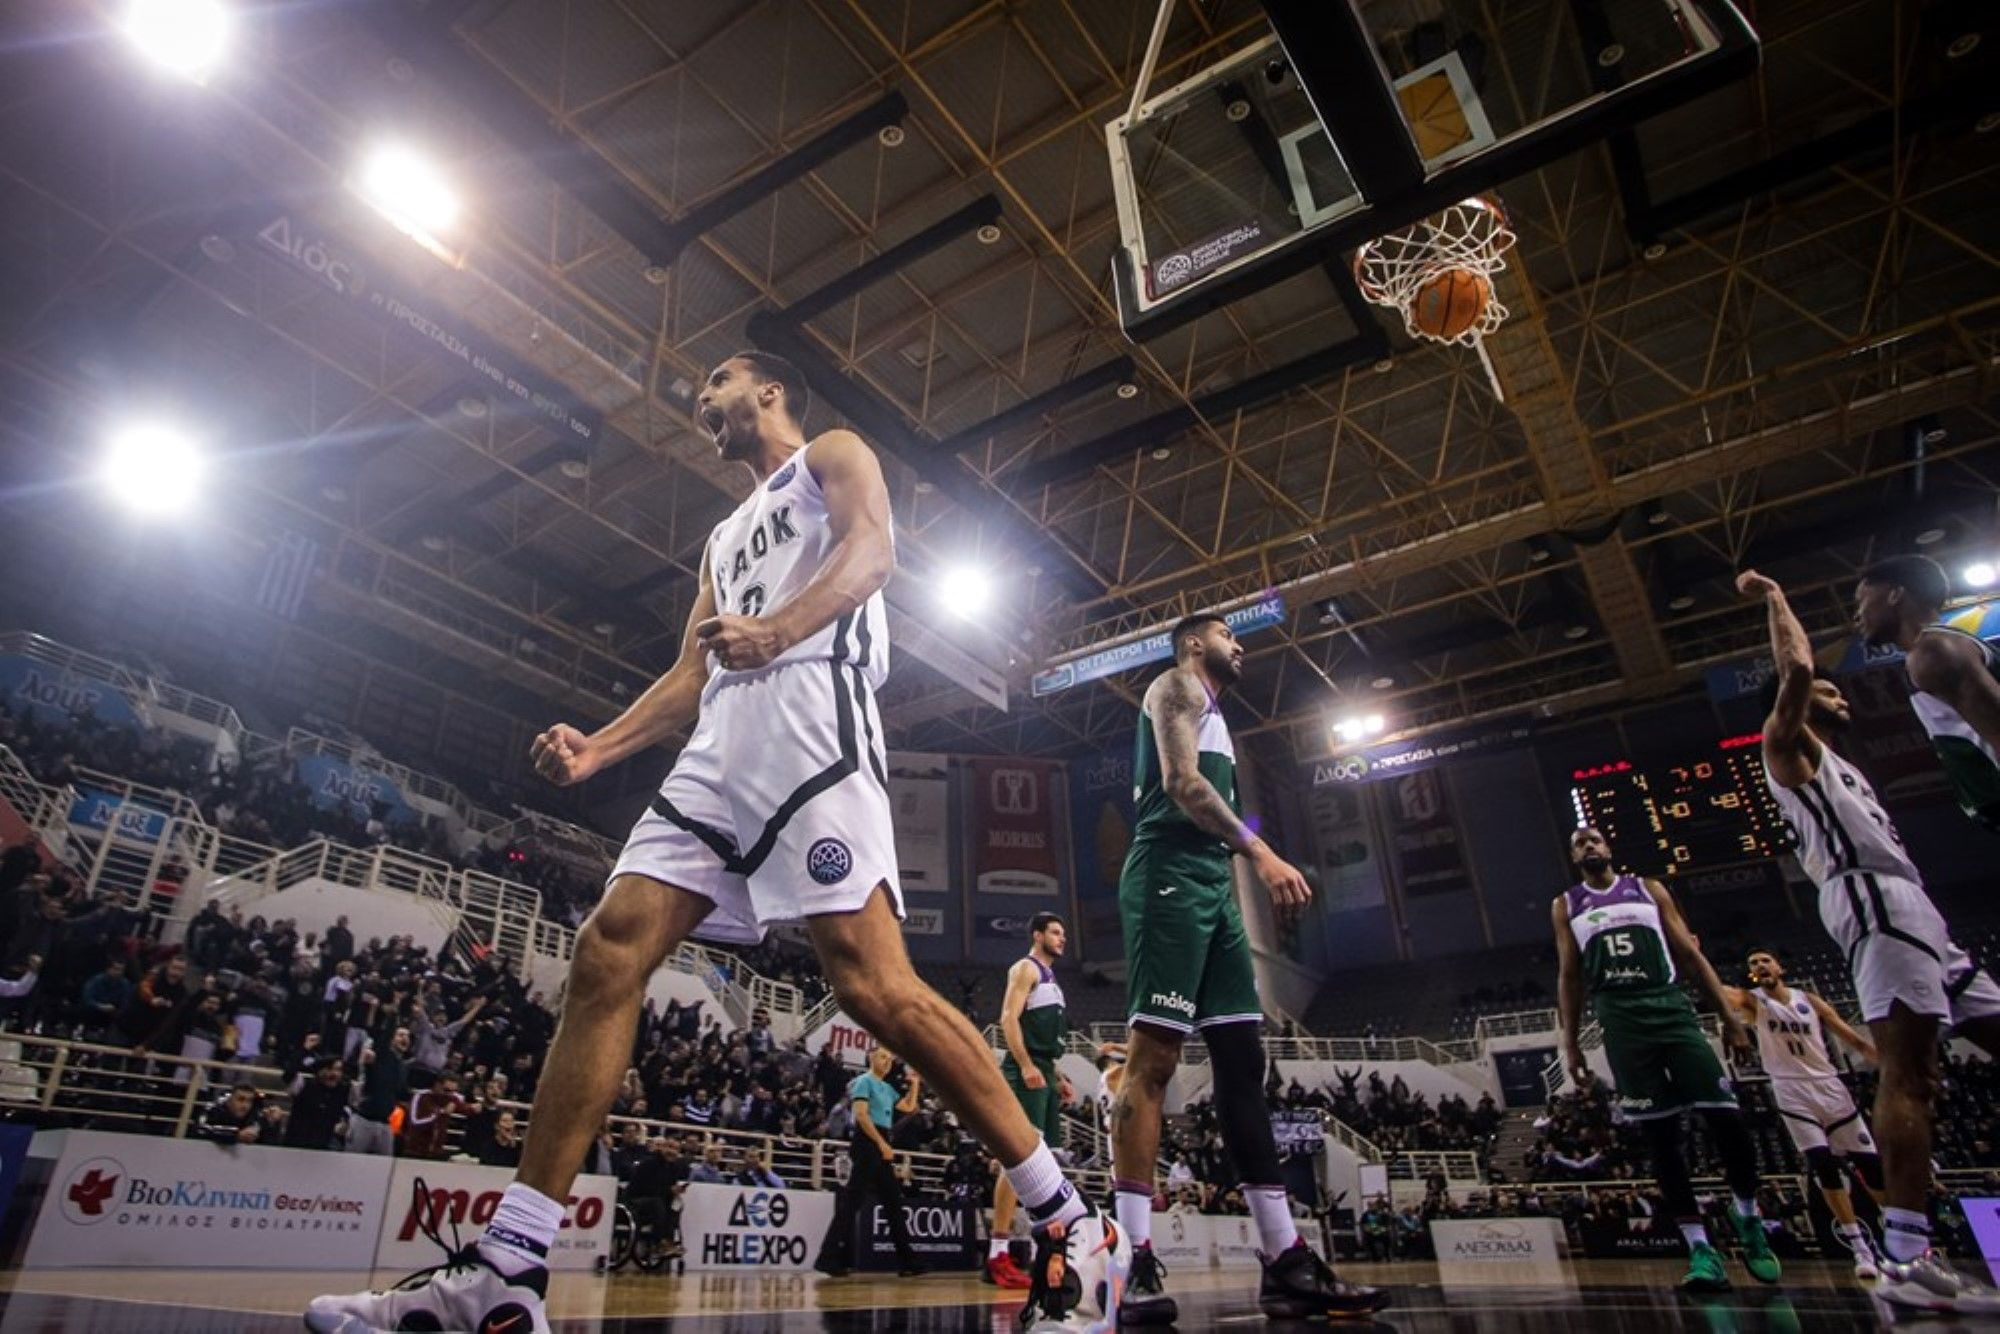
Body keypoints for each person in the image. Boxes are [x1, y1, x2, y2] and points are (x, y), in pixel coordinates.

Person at [307, 352, 1122, 1334]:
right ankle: (508, 1267)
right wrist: (598, 746)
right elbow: (693, 668)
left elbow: (873, 557)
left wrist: (777, 631)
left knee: (873, 988)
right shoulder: (723, 535)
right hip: (722, 740)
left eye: (718, 378)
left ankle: (1071, 1219)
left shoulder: (830, 451)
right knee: (609, 945)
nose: (701, 397)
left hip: (812, 712)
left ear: (770, 388)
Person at [1111, 614, 1386, 1323]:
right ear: (1195, 643)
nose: (1243, 644)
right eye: (1231, 633)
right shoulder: (1177, 685)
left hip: (1211, 886)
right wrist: (1261, 853)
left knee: (1243, 1063)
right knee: (1155, 1062)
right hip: (1168, 875)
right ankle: (1131, 1258)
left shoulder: (1218, 714)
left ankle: (1284, 1258)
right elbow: (1179, 783)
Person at [1742, 568, 2000, 1313]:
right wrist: (1775, 596)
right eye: (1829, 690)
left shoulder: (1846, 768)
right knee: (1909, 1073)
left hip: (1915, 911)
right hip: (1873, 901)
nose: (1839, 693)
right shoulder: (1788, 751)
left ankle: (1908, 1250)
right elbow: (1793, 669)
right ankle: (1909, 1253)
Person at [1553, 825, 1781, 1292]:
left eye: (1594, 839)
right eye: (1580, 844)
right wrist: (1570, 1043)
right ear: (1574, 857)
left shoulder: (1648, 889)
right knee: (1662, 1139)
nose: (1589, 846)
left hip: (1669, 1004)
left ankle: (1748, 1217)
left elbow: (1691, 956)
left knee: (1727, 1122)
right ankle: (1700, 1248)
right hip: (1620, 1016)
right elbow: (1570, 976)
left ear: (1609, 847)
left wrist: (1729, 1017)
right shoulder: (1566, 904)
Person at [1721, 947, 1884, 1280]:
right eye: (1753, 963)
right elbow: (1721, 991)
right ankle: (1859, 1247)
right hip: (1791, 1089)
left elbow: (1850, 1035)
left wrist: (1882, 1059)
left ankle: (1896, 1237)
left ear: (1779, 967)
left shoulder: (1809, 1000)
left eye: (1765, 960)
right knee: (1823, 1164)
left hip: (1830, 1085)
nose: (1759, 965)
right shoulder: (1754, 1002)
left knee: (1871, 1167)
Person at [1852, 553, 2000, 829]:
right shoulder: (1939, 648)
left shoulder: (1933, 652)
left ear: (1895, 595)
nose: (1856, 615)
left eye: (1861, 601)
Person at [985, 912, 1070, 1290]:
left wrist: (1059, 1076)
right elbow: (1008, 1018)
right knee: (1018, 1163)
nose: (1061, 938)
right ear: (1037, 935)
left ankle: (1042, 1253)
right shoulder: (1025, 968)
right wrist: (1024, 1063)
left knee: (1046, 1164)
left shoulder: (1052, 979)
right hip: (1027, 1070)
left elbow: (1044, 1033)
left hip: (1045, 1070)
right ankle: (997, 1255)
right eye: (1054, 932)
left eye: (1063, 933)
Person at [817, 1044, 921, 1278]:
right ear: (871, 1058)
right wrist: (882, 1144)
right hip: (867, 1142)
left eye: (890, 1058)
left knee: (893, 1203)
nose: (888, 1061)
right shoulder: (864, 1081)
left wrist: (915, 1085)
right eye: (883, 1057)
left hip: (880, 1139)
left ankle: (908, 1261)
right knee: (853, 1202)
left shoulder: (886, 1087)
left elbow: (908, 1107)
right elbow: (861, 1115)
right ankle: (828, 1257)